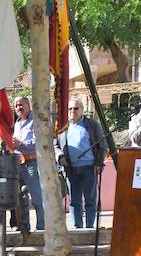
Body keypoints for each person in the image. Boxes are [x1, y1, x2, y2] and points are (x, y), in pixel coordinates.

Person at [56, 98, 106, 229]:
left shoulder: (92, 125)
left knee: (90, 199)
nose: (72, 111)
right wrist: (60, 156)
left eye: (76, 108)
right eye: (70, 109)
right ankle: (77, 227)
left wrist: (99, 163)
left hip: (90, 168)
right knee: (74, 200)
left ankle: (89, 227)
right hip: (71, 169)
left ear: (82, 110)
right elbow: (55, 145)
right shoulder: (62, 128)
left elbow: (102, 146)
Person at [11, 96, 45, 231]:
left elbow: (39, 143)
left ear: (28, 105)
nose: (19, 108)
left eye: (21, 105)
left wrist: (21, 144)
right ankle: (24, 227)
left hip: (32, 162)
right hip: (18, 164)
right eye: (16, 106)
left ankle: (41, 227)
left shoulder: (35, 121)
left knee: (36, 197)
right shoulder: (17, 123)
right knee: (21, 198)